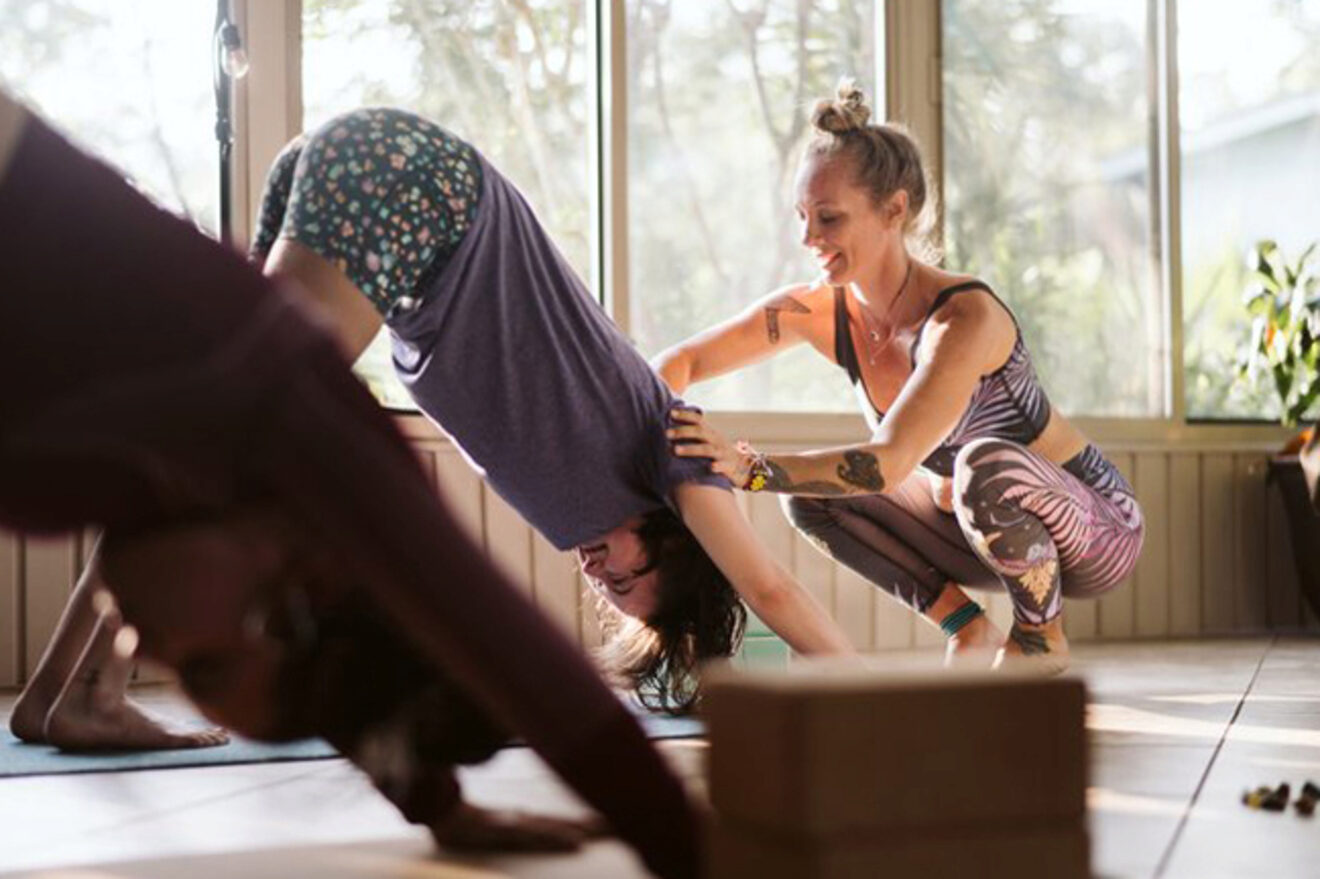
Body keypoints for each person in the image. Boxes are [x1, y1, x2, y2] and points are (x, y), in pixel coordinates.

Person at [0, 90, 700, 877]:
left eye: (188, 672)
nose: (142, 640)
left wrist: (441, 808)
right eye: (209, 661)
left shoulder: (134, 481)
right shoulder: (282, 409)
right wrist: (701, 851)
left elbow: (331, 672)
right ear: (293, 574)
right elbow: (517, 654)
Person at [12, 104, 855, 754]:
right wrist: (872, 694)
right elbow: (771, 590)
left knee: (205, 443)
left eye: (613, 598)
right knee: (225, 449)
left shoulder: (588, 493)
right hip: (422, 193)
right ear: (674, 543)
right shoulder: (680, 461)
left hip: (391, 191)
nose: (603, 582)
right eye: (630, 582)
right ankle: (89, 693)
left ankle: (62, 690)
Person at [655, 81, 1144, 674]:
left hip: (1096, 529)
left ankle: (1040, 638)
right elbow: (686, 360)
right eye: (803, 218)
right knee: (811, 495)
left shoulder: (964, 318)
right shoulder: (817, 311)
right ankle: (967, 628)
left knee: (980, 463)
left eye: (830, 218)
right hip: (976, 530)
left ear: (895, 210)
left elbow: (886, 463)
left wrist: (750, 470)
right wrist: (650, 416)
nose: (809, 240)